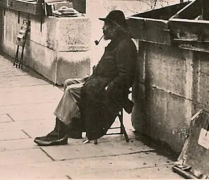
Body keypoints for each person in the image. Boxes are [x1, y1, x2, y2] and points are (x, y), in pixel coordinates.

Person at [34, 10, 137, 146]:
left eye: (106, 25)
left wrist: (108, 87)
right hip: (98, 82)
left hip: (107, 90)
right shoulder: (116, 43)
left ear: (114, 27)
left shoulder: (125, 46)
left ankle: (59, 134)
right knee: (68, 82)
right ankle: (75, 128)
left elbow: (126, 76)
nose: (103, 28)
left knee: (71, 90)